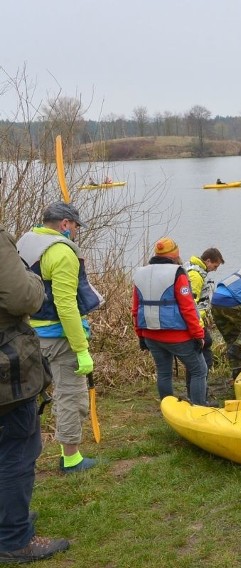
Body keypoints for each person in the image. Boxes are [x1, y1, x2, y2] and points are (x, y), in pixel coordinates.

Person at [16, 202, 104, 474]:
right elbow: (66, 306)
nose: (77, 231)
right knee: (70, 395)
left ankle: (20, 455)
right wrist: (81, 349)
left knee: (26, 396)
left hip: (27, 333)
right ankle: (71, 458)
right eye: (76, 226)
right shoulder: (62, 253)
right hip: (58, 337)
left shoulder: (25, 242)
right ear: (65, 224)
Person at [0, 224, 70, 562]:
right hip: (5, 367)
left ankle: (8, 521)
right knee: (18, 446)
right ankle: (15, 537)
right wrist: (36, 282)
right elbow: (23, 296)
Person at [133, 238, 208, 406]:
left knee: (164, 373)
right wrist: (198, 334)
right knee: (199, 371)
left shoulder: (141, 273)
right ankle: (199, 410)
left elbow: (136, 308)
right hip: (178, 336)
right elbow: (188, 307)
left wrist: (140, 335)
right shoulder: (177, 273)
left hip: (150, 334)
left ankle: (168, 409)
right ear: (175, 254)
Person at [184, 247, 225, 374]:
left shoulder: (194, 269)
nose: (215, 269)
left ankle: (199, 385)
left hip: (197, 319)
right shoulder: (195, 275)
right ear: (208, 261)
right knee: (205, 348)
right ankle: (200, 387)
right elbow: (190, 302)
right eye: (215, 265)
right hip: (195, 321)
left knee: (202, 351)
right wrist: (197, 325)